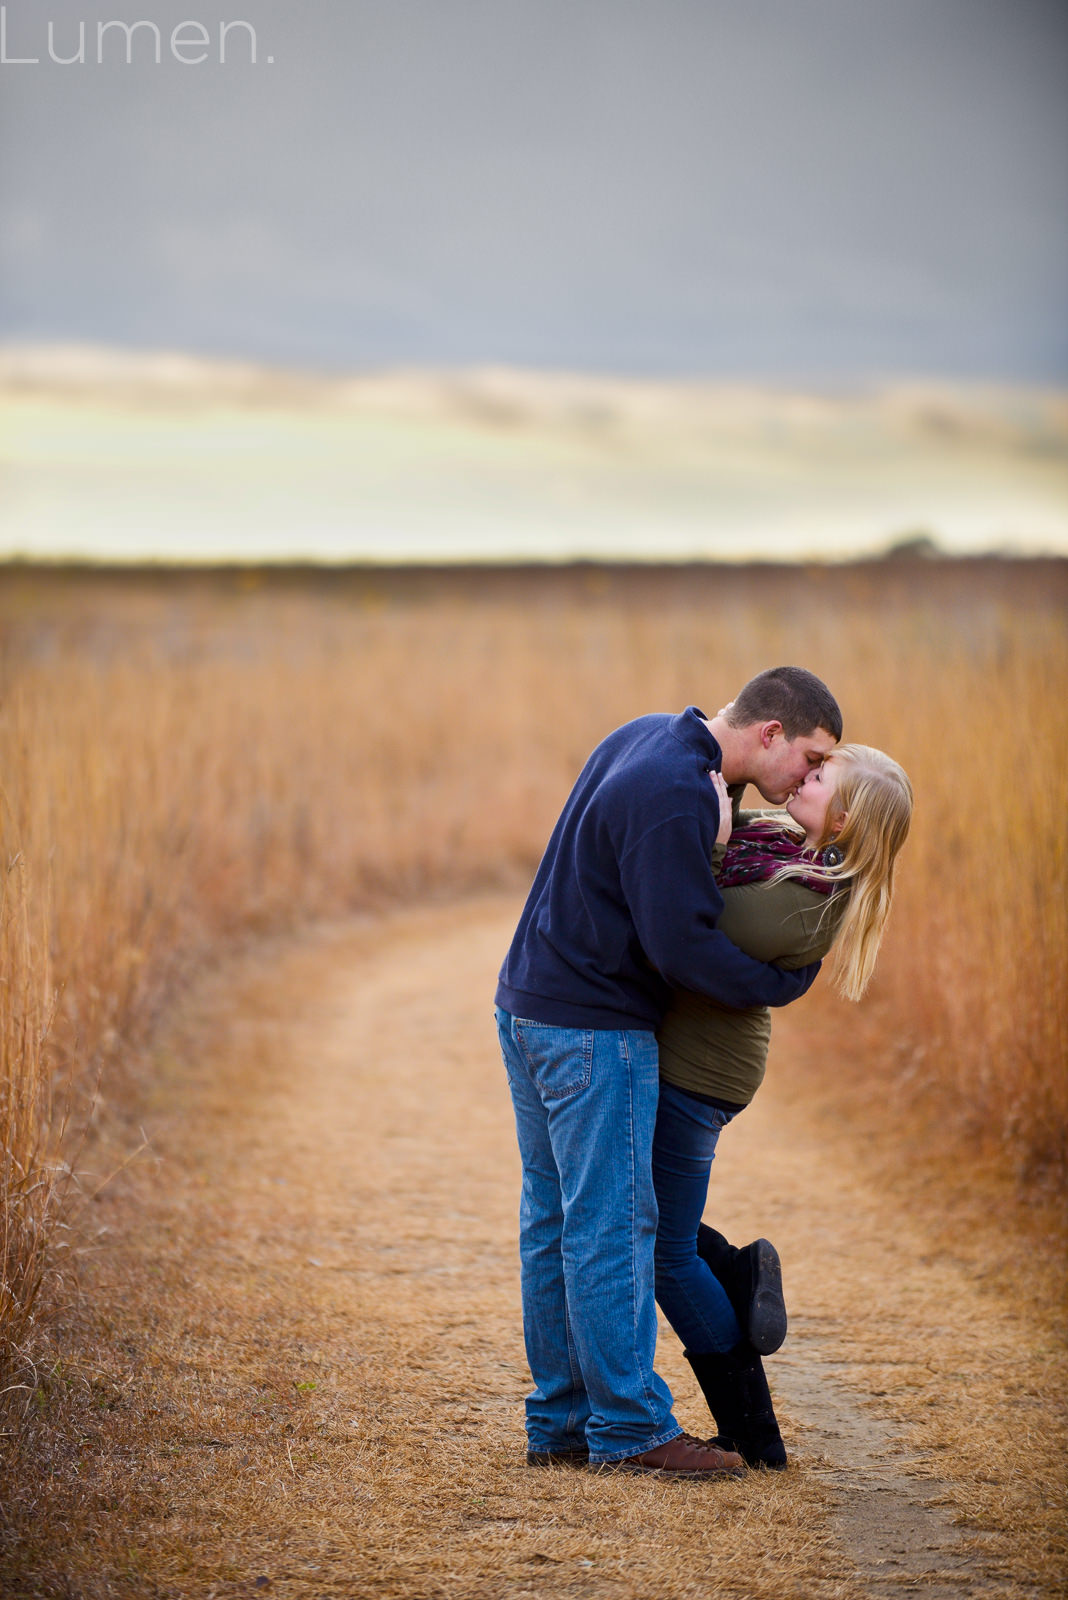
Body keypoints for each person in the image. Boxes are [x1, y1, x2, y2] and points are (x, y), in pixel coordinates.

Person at [495, 667, 843, 1478]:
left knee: (555, 1222)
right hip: (592, 1026)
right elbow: (681, 948)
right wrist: (783, 984)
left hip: (531, 1003)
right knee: (613, 1228)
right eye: (811, 756)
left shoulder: (646, 734)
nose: (807, 776)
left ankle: (560, 1424)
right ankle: (629, 1431)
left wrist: (718, 844)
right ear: (770, 735)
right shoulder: (679, 789)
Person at [651, 744, 913, 1470]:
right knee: (644, 1219)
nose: (803, 777)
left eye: (820, 777)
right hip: (684, 1060)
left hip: (702, 1075)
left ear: (847, 816)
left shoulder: (811, 896)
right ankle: (738, 1271)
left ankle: (756, 1438)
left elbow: (694, 924)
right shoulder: (784, 845)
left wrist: (709, 840)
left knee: (663, 1254)